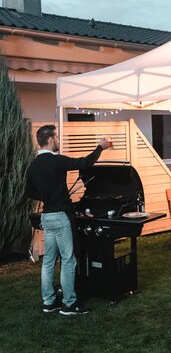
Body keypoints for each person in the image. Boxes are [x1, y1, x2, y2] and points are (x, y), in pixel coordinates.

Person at [26, 124, 109, 315]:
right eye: (56, 138)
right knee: (68, 260)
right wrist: (100, 148)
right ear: (49, 139)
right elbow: (84, 163)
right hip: (61, 216)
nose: (58, 141)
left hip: (47, 216)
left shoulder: (33, 166)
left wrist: (48, 196)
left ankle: (49, 302)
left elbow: (29, 191)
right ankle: (69, 304)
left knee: (48, 261)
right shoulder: (56, 161)